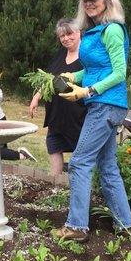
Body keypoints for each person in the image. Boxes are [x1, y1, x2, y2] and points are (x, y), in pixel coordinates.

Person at [53, 0, 131, 242]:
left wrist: (88, 90)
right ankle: (126, 225)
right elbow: (95, 68)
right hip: (103, 104)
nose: (89, 3)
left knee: (78, 162)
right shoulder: (94, 31)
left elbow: (120, 72)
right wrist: (72, 77)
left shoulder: (112, 29)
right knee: (107, 166)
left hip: (105, 104)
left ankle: (76, 226)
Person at [28, 18, 86, 175]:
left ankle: (77, 186)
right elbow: (50, 79)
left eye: (69, 34)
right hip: (56, 113)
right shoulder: (60, 54)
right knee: (54, 145)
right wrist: (36, 97)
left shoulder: (87, 55)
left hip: (78, 115)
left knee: (80, 154)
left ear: (79, 32)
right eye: (62, 36)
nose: (66, 39)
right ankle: (56, 183)